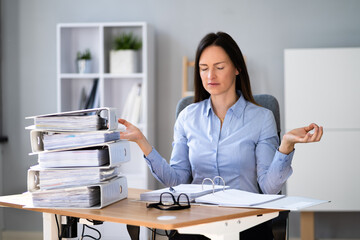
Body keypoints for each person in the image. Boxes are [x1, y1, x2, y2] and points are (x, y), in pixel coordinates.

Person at [118, 32, 323, 240]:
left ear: (237, 68)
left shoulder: (262, 118)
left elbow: (269, 188)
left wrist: (286, 146)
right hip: (196, 222)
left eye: (219, 67)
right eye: (204, 68)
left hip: (246, 223)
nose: (210, 76)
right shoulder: (187, 117)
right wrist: (142, 142)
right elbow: (177, 180)